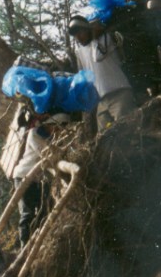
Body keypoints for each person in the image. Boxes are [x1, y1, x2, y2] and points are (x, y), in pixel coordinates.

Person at [12, 113, 70, 248]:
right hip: (24, 176)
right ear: (50, 125)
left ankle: (39, 245)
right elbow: (46, 155)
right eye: (56, 128)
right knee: (28, 212)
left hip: (40, 180)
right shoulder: (34, 134)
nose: (58, 131)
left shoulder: (51, 138)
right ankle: (24, 247)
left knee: (45, 210)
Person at [69, 14, 136, 129]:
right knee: (105, 140)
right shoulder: (79, 52)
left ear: (87, 29)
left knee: (127, 131)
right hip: (102, 101)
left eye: (80, 32)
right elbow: (83, 75)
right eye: (75, 35)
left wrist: (95, 37)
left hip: (119, 94)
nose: (78, 37)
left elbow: (98, 57)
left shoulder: (105, 38)